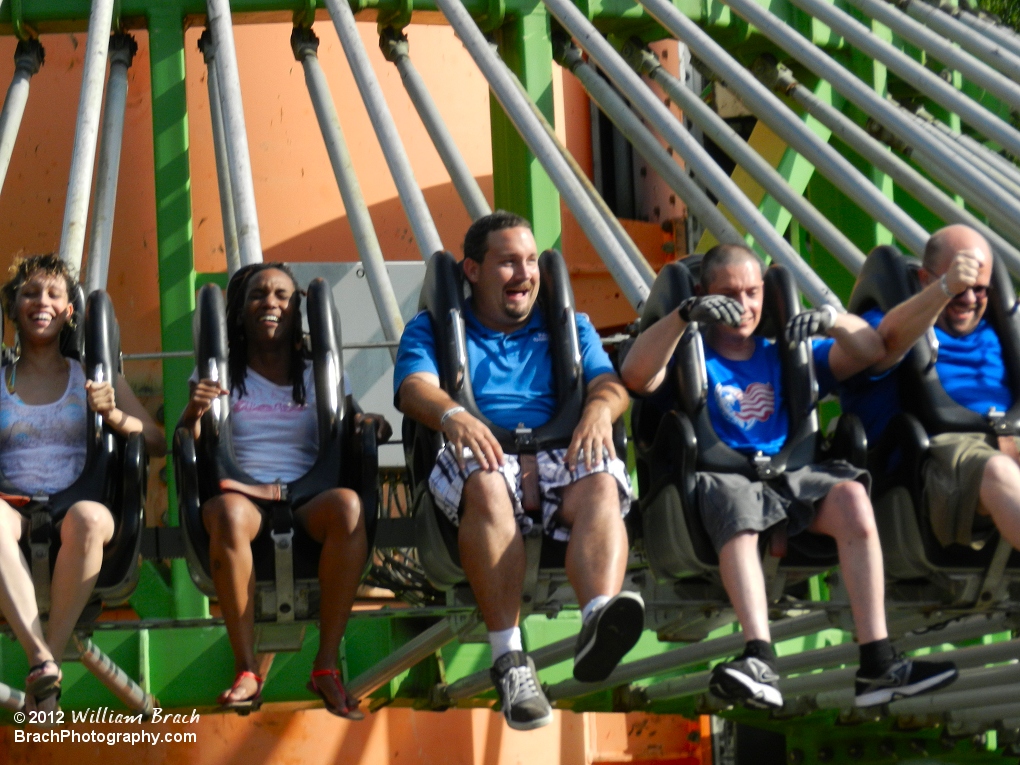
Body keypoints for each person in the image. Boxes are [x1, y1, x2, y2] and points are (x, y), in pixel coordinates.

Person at [620, 244, 957, 710]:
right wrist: (683, 316)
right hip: (720, 479)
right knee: (739, 512)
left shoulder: (785, 352)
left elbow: (872, 351)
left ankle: (877, 662)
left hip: (789, 475)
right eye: (729, 293)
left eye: (753, 292)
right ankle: (759, 655)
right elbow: (636, 376)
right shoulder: (687, 356)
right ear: (704, 293)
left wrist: (831, 322)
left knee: (853, 498)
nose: (744, 305)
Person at [395, 211, 644, 731]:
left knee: (601, 482)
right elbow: (414, 387)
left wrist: (600, 409)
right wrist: (453, 414)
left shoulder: (568, 327)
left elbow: (611, 385)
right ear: (472, 271)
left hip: (560, 450)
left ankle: (599, 614)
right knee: (485, 481)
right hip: (480, 450)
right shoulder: (436, 329)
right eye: (508, 262)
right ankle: (509, 660)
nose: (524, 274)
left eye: (531, 261)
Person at [182, 263, 390, 719]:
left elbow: (354, 420)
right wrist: (192, 415)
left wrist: (369, 424)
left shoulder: (322, 374)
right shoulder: (216, 373)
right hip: (242, 492)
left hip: (308, 494)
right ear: (239, 311)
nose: (270, 304)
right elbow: (189, 445)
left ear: (297, 309)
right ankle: (247, 668)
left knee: (349, 507)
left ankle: (326, 665)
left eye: (282, 295)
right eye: (258, 295)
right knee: (231, 515)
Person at [0, 254, 165, 711]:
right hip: (11, 507)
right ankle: (43, 659)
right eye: (30, 293)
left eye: (54, 294)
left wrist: (111, 413)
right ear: (14, 307)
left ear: (69, 310)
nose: (42, 303)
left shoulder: (92, 377)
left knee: (90, 519)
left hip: (77, 508)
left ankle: (46, 659)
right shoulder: (2, 379)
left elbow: (155, 440)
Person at [841, 225, 1020, 556]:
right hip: (939, 461)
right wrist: (943, 290)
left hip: (1009, 443)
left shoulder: (1001, 330)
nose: (968, 299)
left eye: (979, 289)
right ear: (924, 278)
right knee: (998, 471)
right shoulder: (893, 321)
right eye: (959, 287)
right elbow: (883, 345)